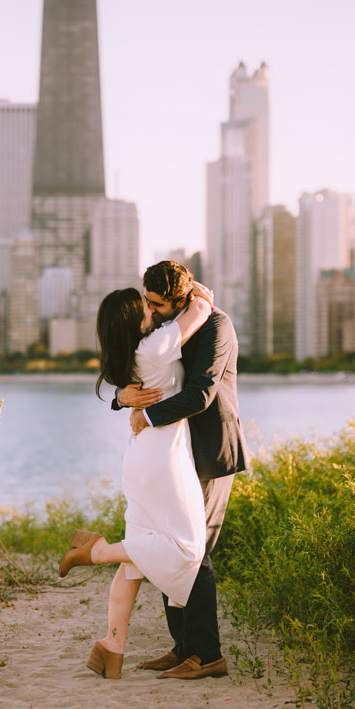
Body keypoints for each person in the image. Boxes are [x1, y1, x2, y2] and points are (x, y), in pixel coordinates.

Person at [57, 280, 215, 679]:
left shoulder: (128, 356)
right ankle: (94, 551)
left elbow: (122, 392)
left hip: (141, 457)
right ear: (135, 318)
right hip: (163, 459)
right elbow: (202, 308)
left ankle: (113, 648)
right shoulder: (157, 344)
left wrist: (124, 399)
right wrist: (189, 284)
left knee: (134, 566)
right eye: (144, 305)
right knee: (186, 546)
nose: (151, 307)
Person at [116, 260, 247, 680]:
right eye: (148, 305)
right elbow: (137, 366)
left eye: (157, 305)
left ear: (179, 300)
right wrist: (122, 398)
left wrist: (147, 417)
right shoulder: (165, 324)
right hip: (177, 452)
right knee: (172, 543)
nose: (151, 312)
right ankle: (182, 648)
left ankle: (207, 656)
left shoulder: (216, 327)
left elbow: (201, 394)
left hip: (209, 449)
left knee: (196, 551)